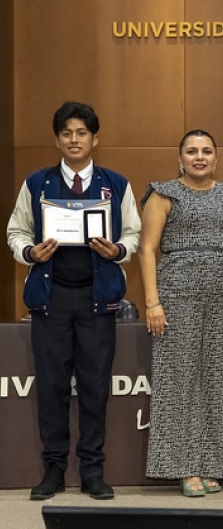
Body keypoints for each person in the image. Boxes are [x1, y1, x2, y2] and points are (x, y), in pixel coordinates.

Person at [6, 101, 141, 500]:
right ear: (57, 140)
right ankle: (52, 469)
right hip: (51, 299)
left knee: (96, 387)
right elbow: (16, 231)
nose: (74, 139)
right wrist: (30, 253)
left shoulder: (115, 184)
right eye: (67, 133)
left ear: (95, 139)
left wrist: (117, 250)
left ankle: (93, 471)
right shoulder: (37, 184)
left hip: (97, 300)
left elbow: (133, 234)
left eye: (82, 133)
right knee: (51, 388)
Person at [139, 129, 223, 497]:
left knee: (216, 380)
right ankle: (183, 467)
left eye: (206, 151)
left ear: (216, 157)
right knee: (179, 381)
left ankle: (210, 464)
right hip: (176, 296)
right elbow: (146, 250)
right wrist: (153, 302)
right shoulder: (163, 193)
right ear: (180, 158)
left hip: (222, 298)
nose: (199, 157)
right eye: (191, 151)